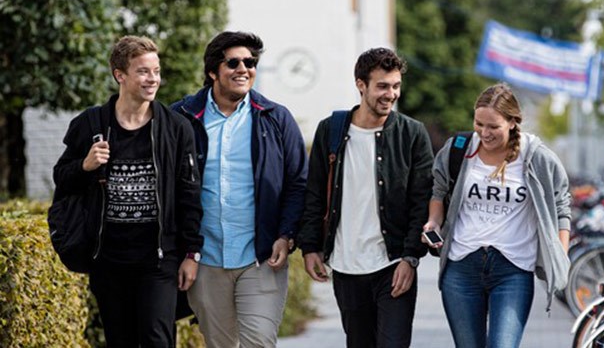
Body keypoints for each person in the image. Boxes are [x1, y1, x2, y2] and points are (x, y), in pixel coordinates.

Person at [51, 35, 203, 347]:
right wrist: (86, 166)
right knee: (119, 341)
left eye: (156, 71)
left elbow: (190, 194)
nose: (153, 79)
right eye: (144, 71)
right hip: (108, 259)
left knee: (156, 340)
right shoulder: (89, 124)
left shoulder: (176, 128)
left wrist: (191, 253)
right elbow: (62, 179)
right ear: (120, 75)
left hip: (159, 260)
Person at [170, 31, 308, 348]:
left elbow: (298, 182)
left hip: (260, 257)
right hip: (204, 258)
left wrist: (286, 235)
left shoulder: (276, 118)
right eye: (233, 62)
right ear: (212, 71)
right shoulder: (182, 118)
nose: (243, 69)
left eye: (250, 62)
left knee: (258, 341)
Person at [298, 47, 434, 348]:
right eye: (382, 86)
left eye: (396, 85)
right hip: (347, 266)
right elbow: (315, 193)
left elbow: (420, 202)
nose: (391, 94)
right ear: (361, 84)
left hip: (393, 263)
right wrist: (310, 247)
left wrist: (411, 258)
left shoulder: (412, 134)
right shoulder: (330, 130)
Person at [422, 83, 571, 348]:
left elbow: (562, 206)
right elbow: (439, 189)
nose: (484, 133)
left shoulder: (537, 157)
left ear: (513, 122)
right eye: (479, 124)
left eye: (493, 127)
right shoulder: (459, 149)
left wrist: (560, 254)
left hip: (512, 270)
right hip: (462, 266)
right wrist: (433, 222)